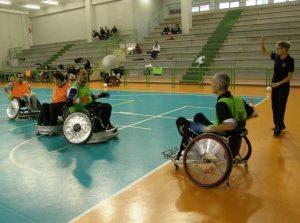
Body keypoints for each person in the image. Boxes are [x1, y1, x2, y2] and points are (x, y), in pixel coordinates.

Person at [176, 73, 257, 160]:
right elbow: (253, 113)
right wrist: (239, 121)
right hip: (234, 134)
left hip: (221, 135)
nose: (210, 84)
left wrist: (208, 129)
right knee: (198, 116)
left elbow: (229, 125)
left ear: (218, 86)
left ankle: (190, 147)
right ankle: (195, 140)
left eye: (212, 82)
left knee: (180, 121)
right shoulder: (239, 100)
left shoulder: (221, 104)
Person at [260, 37, 294, 137]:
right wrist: (262, 42)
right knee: (274, 106)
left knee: (281, 106)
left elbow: (289, 77)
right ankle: (278, 124)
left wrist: (278, 83)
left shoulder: (290, 60)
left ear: (284, 49)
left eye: (278, 48)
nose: (276, 50)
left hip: (283, 87)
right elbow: (264, 52)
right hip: (274, 85)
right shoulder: (276, 57)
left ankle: (278, 129)